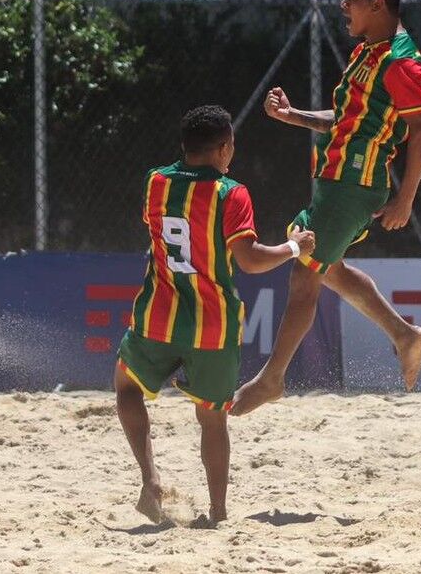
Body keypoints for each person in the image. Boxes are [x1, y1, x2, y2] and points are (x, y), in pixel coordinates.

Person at [232, 0, 421, 416]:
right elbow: (348, 119)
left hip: (354, 185)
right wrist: (295, 116)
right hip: (337, 182)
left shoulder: (401, 61)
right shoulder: (370, 50)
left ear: (378, 5)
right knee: (329, 270)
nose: (342, 5)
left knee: (305, 274)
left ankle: (273, 378)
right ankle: (405, 335)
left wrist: (406, 199)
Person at [114, 105, 316, 525]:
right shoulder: (231, 192)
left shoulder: (155, 182)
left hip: (159, 313)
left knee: (126, 387)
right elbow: (252, 261)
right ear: (223, 148)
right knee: (211, 418)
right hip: (212, 325)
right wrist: (295, 246)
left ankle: (151, 481)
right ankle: (218, 512)